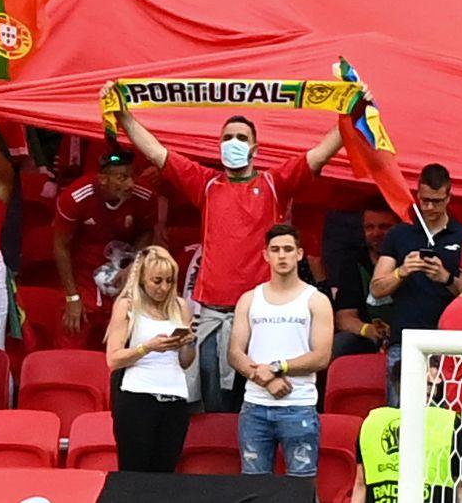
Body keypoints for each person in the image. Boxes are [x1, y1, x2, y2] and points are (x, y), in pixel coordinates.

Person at [115, 92, 342, 412]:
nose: (233, 142)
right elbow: (156, 152)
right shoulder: (206, 184)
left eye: (241, 138)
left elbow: (319, 155)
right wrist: (123, 117)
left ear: (255, 148)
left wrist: (352, 115)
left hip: (262, 313)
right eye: (227, 138)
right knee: (213, 404)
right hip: (212, 313)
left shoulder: (275, 183)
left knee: (259, 397)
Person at [229, 223, 332, 477]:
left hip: (299, 404)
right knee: (254, 486)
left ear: (299, 254)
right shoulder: (249, 299)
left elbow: (321, 356)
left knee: (301, 486)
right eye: (275, 250)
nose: (282, 255)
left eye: (288, 249)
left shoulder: (316, 300)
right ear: (265, 255)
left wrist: (277, 368)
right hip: (254, 406)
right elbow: (235, 353)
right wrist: (263, 379)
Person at [371, 164, 462, 381]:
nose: (430, 207)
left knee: (444, 403)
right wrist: (402, 271)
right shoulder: (399, 233)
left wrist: (446, 278)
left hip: (447, 341)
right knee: (400, 402)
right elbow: (376, 288)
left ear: (449, 197)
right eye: (425, 200)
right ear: (417, 195)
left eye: (437, 201)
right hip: (404, 340)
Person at [108, 243, 198, 472]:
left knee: (166, 470)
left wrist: (188, 342)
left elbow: (186, 362)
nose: (163, 288)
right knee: (135, 469)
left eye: (169, 281)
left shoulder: (180, 306)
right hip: (137, 396)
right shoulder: (127, 306)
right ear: (142, 279)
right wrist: (147, 348)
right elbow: (113, 359)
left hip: (175, 395)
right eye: (157, 281)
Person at [55, 147, 157, 345]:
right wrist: (72, 297)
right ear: (103, 179)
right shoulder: (76, 196)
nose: (130, 184)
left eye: (132, 176)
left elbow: (147, 231)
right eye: (122, 178)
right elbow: (60, 246)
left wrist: (134, 263)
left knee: (122, 342)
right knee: (74, 331)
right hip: (83, 274)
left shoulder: (144, 195)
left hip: (122, 274)